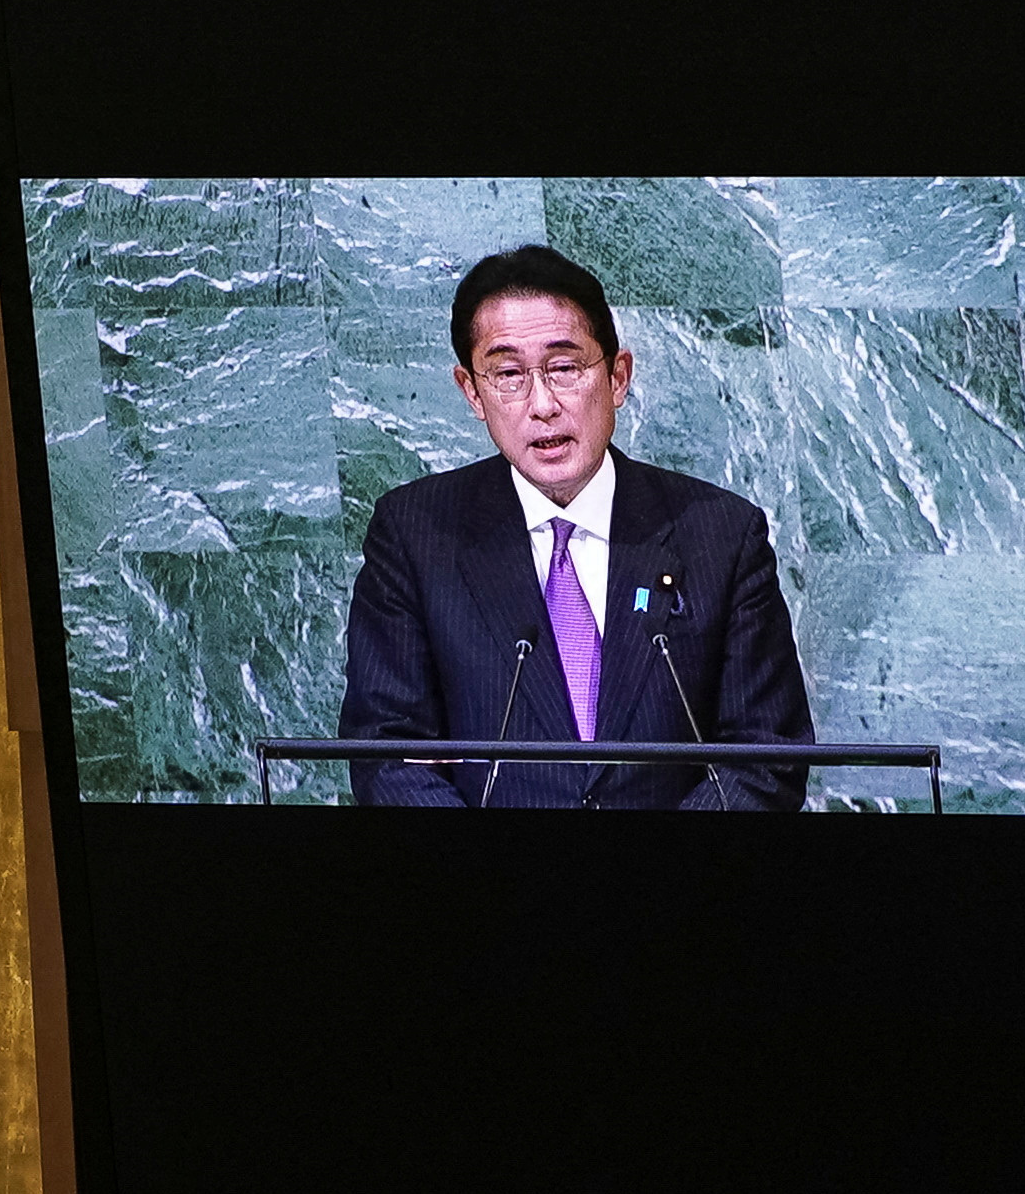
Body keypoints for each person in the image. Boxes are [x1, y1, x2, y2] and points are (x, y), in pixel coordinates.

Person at [337, 246, 812, 810]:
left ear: (617, 377)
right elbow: (387, 752)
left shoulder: (721, 534)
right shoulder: (415, 534)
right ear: (472, 392)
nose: (543, 404)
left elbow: (764, 755)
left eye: (564, 368)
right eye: (508, 373)